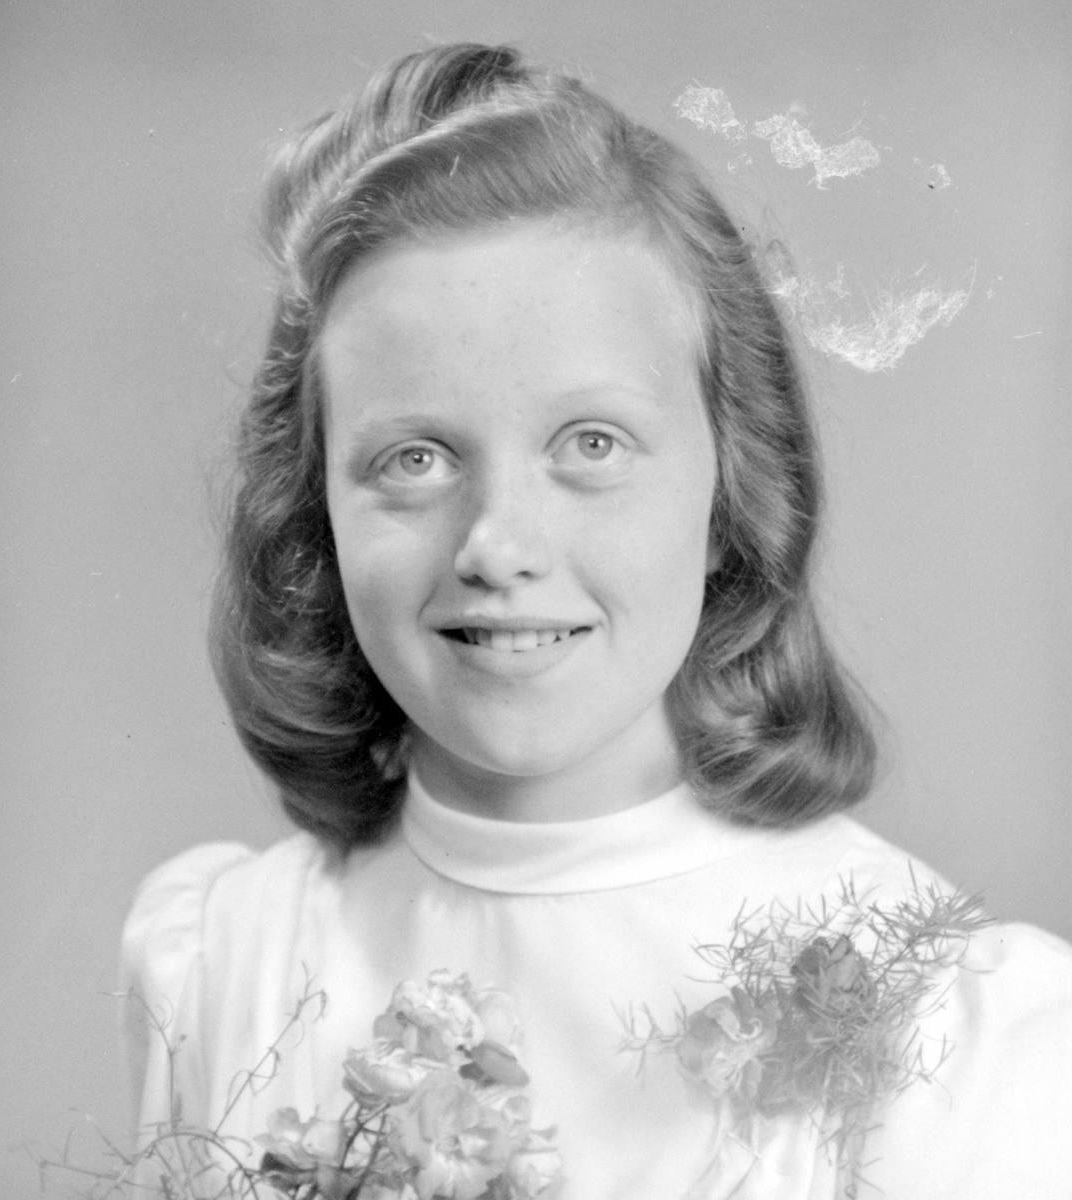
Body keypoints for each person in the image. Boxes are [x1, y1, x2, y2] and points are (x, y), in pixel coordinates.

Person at [121, 43, 1072, 1200]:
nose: (497, 545)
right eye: (414, 459)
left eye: (592, 445)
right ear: (314, 507)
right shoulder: (226, 958)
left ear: (733, 494)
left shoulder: (962, 1044)